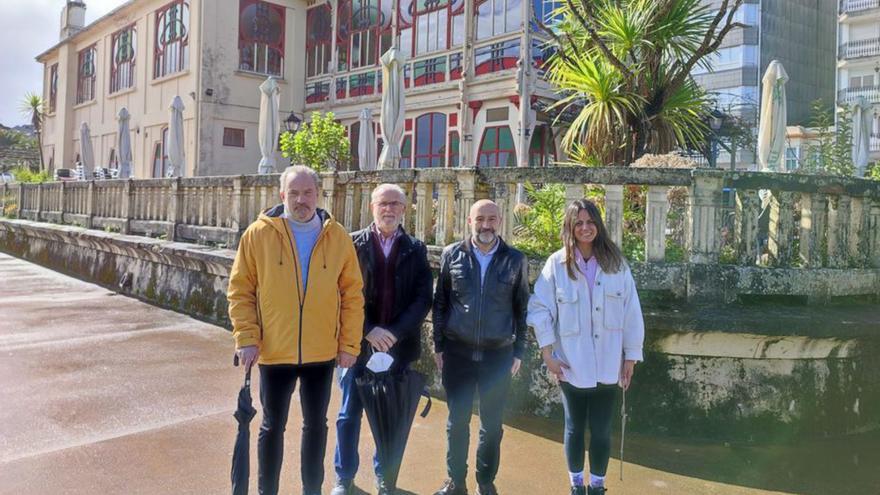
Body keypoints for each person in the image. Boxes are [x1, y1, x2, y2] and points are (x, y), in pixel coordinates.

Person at [227, 165, 365, 495]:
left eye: (307, 193)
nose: (301, 200)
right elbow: (240, 290)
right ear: (281, 195)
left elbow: (352, 294)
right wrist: (246, 338)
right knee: (272, 426)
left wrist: (349, 345)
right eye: (294, 193)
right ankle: (267, 491)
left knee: (316, 425)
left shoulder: (338, 236)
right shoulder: (258, 234)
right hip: (275, 351)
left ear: (318, 194)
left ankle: (312, 490)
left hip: (322, 352)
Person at [526, 199, 645, 495]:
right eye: (578, 223)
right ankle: (576, 484)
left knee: (603, 429)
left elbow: (631, 311)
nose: (585, 228)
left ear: (598, 225)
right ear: (570, 227)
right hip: (571, 363)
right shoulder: (556, 264)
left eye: (590, 221)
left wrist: (631, 356)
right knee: (574, 427)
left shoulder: (616, 264)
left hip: (608, 363)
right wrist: (548, 354)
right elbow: (539, 309)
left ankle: (597, 486)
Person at [332, 184, 433, 495]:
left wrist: (394, 332)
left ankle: (385, 477)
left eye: (395, 204)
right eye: (383, 203)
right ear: (372, 207)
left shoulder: (416, 249)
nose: (389, 209)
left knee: (391, 418)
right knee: (349, 415)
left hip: (398, 348)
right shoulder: (351, 244)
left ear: (404, 209)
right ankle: (344, 477)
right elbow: (339, 293)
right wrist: (368, 329)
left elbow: (422, 298)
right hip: (357, 346)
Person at [432, 199, 530, 495]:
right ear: (469, 221)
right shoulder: (452, 254)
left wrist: (519, 351)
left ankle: (485, 482)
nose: (486, 225)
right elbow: (440, 304)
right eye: (480, 219)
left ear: (499, 221)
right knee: (457, 421)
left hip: (497, 355)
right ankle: (455, 480)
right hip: (457, 351)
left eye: (491, 219)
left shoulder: (515, 259)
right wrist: (438, 345)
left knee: (492, 425)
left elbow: (521, 308)